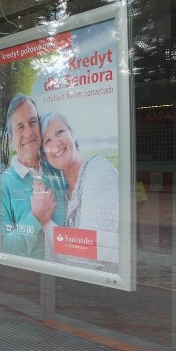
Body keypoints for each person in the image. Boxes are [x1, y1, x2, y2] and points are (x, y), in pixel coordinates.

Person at [39, 111, 119, 271]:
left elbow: (90, 253)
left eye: (60, 132)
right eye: (47, 140)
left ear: (73, 135)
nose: (55, 143)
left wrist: (45, 222)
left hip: (104, 291)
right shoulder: (59, 190)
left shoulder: (99, 171)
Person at [0, 94, 66, 259]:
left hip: (66, 276)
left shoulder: (57, 170)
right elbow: (4, 248)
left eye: (32, 122)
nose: (28, 132)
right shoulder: (4, 182)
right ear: (11, 139)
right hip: (29, 280)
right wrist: (36, 216)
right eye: (20, 127)